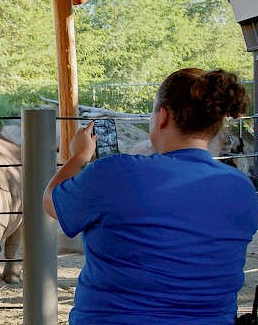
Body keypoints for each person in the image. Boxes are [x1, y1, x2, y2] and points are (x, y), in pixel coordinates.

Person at [43, 68, 258, 324]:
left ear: (163, 116)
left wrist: (78, 155)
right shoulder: (242, 187)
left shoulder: (114, 172)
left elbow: (51, 200)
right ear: (216, 125)